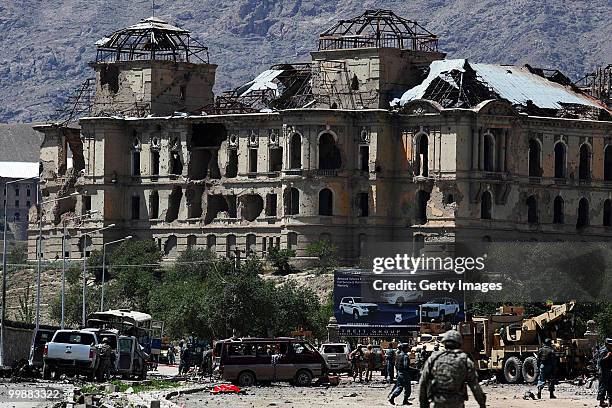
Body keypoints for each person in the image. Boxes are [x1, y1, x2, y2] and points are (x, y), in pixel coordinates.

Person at [419, 330, 486, 408]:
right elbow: (474, 386)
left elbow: (423, 383)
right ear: (459, 343)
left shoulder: (433, 359)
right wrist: (482, 404)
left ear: (444, 343)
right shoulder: (465, 360)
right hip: (457, 403)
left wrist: (423, 405)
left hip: (438, 402)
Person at [598, 338, 612, 407]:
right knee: (603, 386)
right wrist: (607, 356)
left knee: (610, 386)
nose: (611, 346)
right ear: (606, 344)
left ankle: (610, 401)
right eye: (609, 345)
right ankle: (601, 402)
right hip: (604, 371)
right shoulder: (603, 350)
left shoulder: (610, 350)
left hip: (609, 370)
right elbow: (600, 361)